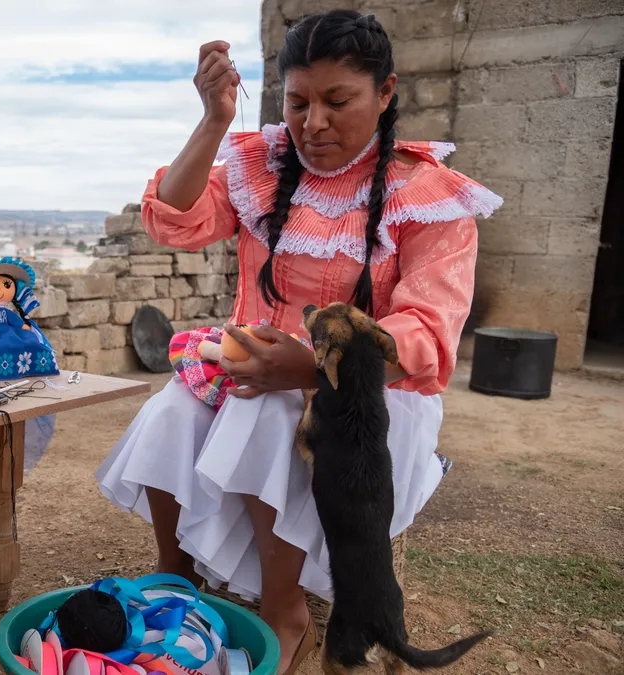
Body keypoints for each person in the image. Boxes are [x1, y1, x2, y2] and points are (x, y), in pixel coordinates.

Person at [95, 10, 502, 675]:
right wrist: (213, 121)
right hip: (261, 364)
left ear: (386, 93)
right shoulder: (266, 166)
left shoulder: (426, 196)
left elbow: (427, 334)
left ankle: (283, 612)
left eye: (338, 101)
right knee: (172, 405)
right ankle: (174, 575)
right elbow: (174, 221)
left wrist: (312, 363)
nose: (313, 122)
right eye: (298, 101)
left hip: (377, 393)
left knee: (265, 408)